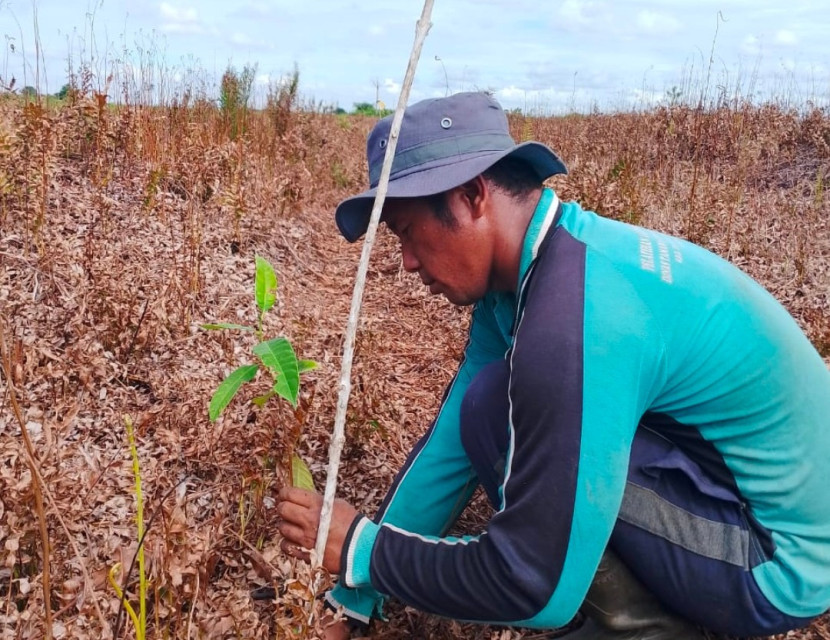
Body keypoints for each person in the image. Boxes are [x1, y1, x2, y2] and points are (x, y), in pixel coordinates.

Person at [276, 91, 830, 639]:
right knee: (490, 405)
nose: (407, 263)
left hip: (779, 565)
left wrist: (363, 550)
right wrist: (356, 593)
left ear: (472, 196)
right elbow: (450, 442)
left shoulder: (577, 314)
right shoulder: (545, 266)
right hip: (737, 491)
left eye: (406, 232)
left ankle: (646, 627)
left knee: (510, 410)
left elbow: (532, 585)